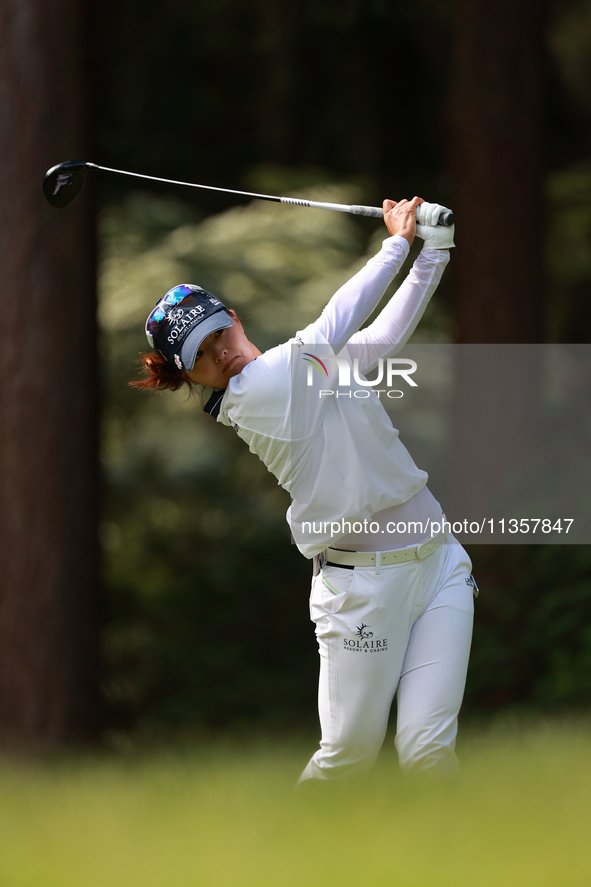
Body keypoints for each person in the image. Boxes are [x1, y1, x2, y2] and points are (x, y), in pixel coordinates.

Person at [132, 197, 477, 783]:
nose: (221, 353)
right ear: (188, 376)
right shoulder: (253, 394)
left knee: (428, 753)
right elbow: (338, 321)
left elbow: (379, 339)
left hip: (439, 560)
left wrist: (434, 252)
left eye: (219, 332)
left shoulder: (306, 365)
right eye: (201, 357)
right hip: (362, 590)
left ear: (234, 318)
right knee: (347, 758)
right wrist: (398, 242)